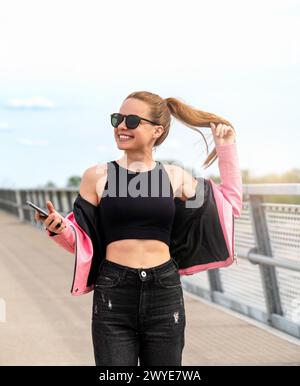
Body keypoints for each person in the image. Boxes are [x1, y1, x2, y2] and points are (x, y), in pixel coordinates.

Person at [35, 91, 243, 366]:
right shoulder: (98, 177)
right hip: (114, 291)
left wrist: (226, 148)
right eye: (117, 119)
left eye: (131, 120)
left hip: (164, 290)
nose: (121, 126)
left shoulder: (173, 177)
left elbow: (228, 206)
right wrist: (60, 228)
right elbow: (82, 241)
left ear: (157, 131)